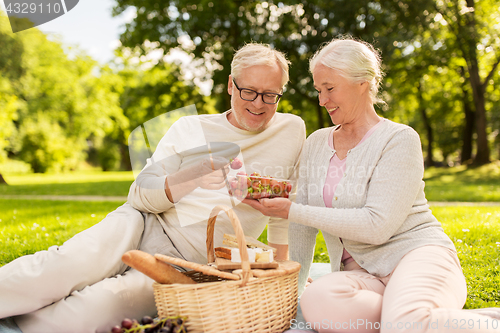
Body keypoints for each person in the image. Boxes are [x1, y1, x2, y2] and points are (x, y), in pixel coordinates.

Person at [0, 43, 306, 333]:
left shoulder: (291, 130)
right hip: (143, 223)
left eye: (270, 95)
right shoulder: (189, 128)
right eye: (249, 91)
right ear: (230, 85)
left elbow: (282, 212)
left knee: (96, 310)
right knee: (66, 265)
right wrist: (195, 175)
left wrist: (278, 280)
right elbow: (140, 195)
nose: (258, 104)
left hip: (190, 264)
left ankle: (23, 318)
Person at [244, 36, 500, 333]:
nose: (322, 99)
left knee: (405, 324)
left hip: (417, 256)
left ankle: (422, 318)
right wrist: (295, 293)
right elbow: (303, 227)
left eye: (329, 88)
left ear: (362, 82)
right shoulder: (316, 143)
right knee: (316, 302)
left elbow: (376, 225)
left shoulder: (399, 139)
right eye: (318, 90)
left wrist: (291, 210)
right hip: (363, 276)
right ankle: (413, 316)